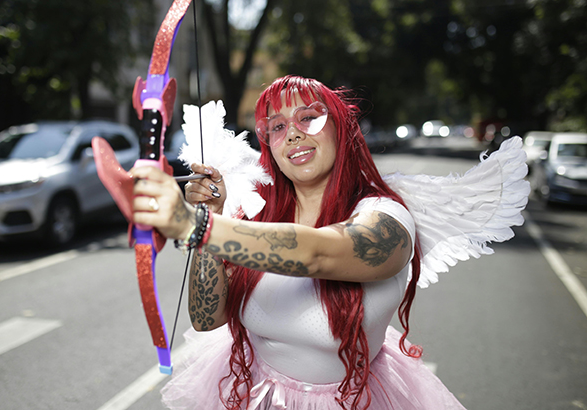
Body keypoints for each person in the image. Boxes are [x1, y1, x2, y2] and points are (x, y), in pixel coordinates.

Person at [128, 75, 501, 409]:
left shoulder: (388, 217)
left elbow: (319, 252)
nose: (292, 134)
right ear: (270, 147)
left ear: (341, 128)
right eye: (276, 127)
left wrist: (193, 225)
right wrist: (215, 214)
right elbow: (207, 318)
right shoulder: (255, 218)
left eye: (309, 118)